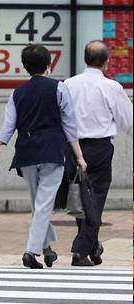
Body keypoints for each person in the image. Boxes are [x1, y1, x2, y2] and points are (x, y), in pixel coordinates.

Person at [0, 44, 87, 269]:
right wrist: (79, 156)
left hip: (26, 152)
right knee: (42, 204)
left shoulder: (17, 93)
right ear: (48, 66)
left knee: (38, 204)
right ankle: (31, 252)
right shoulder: (59, 88)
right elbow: (70, 126)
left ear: (26, 67)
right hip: (52, 151)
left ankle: (47, 249)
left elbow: (8, 127)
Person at [64, 40, 133, 266]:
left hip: (73, 147)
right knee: (96, 198)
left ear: (85, 59)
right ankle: (80, 251)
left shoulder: (68, 85)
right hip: (100, 148)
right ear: (106, 62)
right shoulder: (112, 88)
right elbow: (128, 121)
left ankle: (92, 246)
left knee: (80, 198)